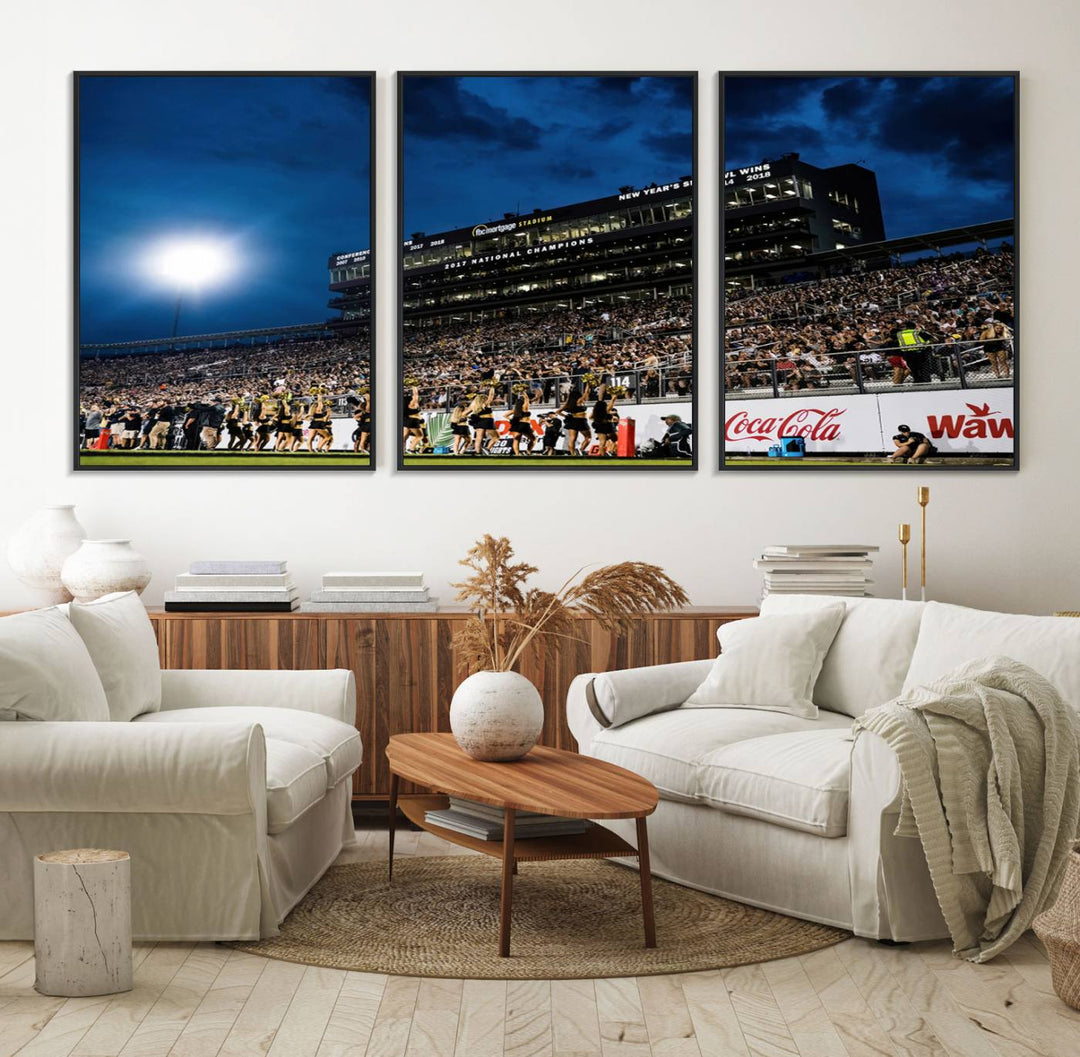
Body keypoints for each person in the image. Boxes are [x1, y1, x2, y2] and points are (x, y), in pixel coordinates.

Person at [558, 383, 591, 456]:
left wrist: (566, 416)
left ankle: (573, 454)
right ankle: (580, 450)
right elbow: (587, 392)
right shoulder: (579, 401)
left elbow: (557, 412)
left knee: (572, 438)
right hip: (581, 421)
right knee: (588, 437)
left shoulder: (568, 403)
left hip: (572, 421)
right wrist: (588, 385)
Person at [467, 387, 497, 455]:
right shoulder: (486, 403)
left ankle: (478, 452)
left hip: (479, 421)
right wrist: (492, 387)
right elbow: (491, 395)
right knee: (496, 437)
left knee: (478, 437)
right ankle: (487, 449)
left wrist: (471, 417)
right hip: (488, 421)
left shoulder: (473, 406)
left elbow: (464, 414)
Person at [508, 391, 533, 456]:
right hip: (525, 425)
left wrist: (511, 419)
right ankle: (528, 451)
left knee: (516, 439)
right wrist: (523, 391)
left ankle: (517, 454)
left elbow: (505, 415)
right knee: (534, 439)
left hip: (518, 424)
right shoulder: (525, 407)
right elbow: (527, 398)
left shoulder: (516, 410)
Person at [403, 387, 424, 454]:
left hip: (407, 420)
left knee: (404, 437)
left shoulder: (406, 405)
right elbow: (415, 394)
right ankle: (411, 449)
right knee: (420, 436)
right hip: (413, 421)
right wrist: (414, 387)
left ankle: (401, 450)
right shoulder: (412, 403)